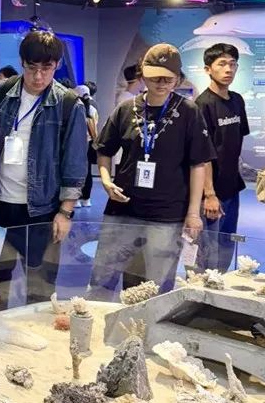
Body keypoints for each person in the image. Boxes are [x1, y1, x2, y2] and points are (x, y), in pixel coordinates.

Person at [88, 44, 216, 300]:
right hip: (123, 208)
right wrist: (106, 180)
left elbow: (198, 164)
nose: (161, 83)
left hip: (167, 213)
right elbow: (104, 150)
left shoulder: (189, 112)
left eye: (168, 78)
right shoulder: (126, 109)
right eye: (155, 77)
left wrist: (193, 213)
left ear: (177, 78)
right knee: (102, 280)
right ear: (143, 74)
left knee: (157, 287)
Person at [0, 30, 88, 307]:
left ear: (56, 65)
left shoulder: (68, 104)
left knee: (39, 293)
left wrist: (65, 212)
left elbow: (75, 162)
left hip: (42, 210)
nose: (38, 76)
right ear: (22, 63)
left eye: (46, 68)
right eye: (31, 68)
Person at [196, 43, 249, 271]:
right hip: (211, 192)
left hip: (231, 188)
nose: (228, 69)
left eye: (233, 64)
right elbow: (202, 154)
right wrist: (209, 194)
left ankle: (220, 286)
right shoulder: (202, 105)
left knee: (226, 246)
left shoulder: (237, 100)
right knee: (206, 252)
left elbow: (236, 141)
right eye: (222, 64)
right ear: (208, 69)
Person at [75, 82, 99, 208]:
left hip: (75, 144)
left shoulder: (75, 107)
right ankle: (87, 198)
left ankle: (76, 198)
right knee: (88, 172)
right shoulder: (93, 108)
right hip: (89, 143)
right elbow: (95, 127)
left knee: (75, 171)